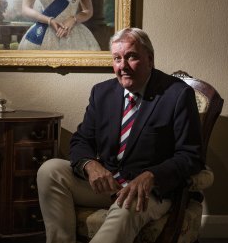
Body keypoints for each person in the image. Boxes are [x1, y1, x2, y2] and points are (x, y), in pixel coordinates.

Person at [37, 28, 204, 243]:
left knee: (128, 204)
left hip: (150, 191)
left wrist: (151, 175)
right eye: (117, 58)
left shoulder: (177, 95)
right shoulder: (102, 92)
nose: (122, 66)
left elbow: (191, 156)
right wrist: (89, 165)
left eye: (131, 56)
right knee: (49, 170)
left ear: (150, 59)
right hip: (108, 184)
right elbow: (82, 140)